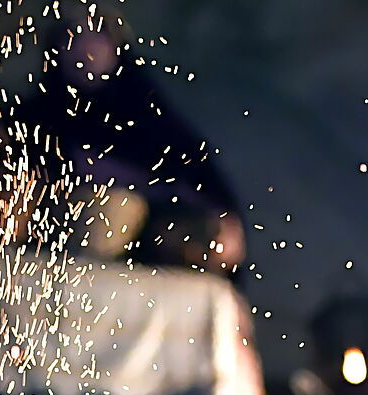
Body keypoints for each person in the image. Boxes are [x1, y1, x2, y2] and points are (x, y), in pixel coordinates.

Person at [16, 9, 247, 274]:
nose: (85, 48)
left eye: (96, 36)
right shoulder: (36, 118)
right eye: (71, 37)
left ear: (116, 46)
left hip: (155, 235)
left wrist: (216, 230)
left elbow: (209, 193)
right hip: (68, 234)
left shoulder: (149, 115)